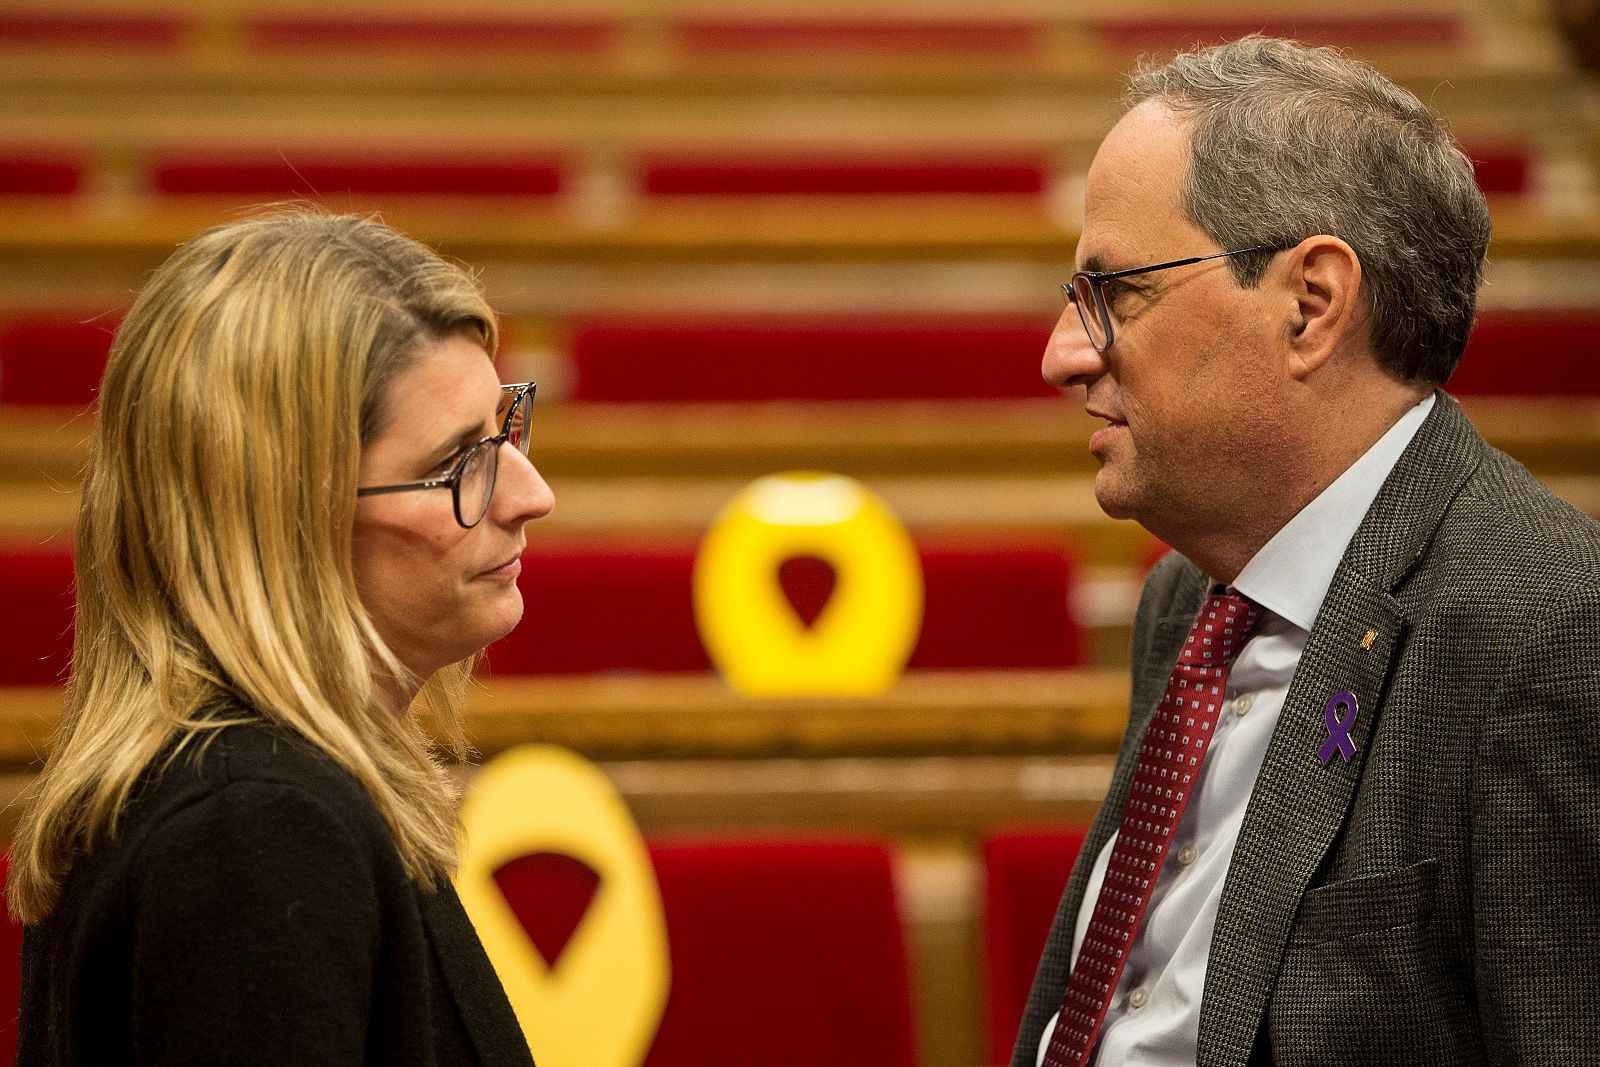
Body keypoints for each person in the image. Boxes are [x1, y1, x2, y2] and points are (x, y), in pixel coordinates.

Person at [1016, 36, 1600, 1067]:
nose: (1063, 352)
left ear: (1310, 303)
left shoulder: (1552, 634)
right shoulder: (1185, 595)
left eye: (1116, 292)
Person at [7, 210, 554, 1065]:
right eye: (458, 463)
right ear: (283, 519)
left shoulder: (259, 793)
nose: (530, 494)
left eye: (504, 426)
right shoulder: (253, 832)